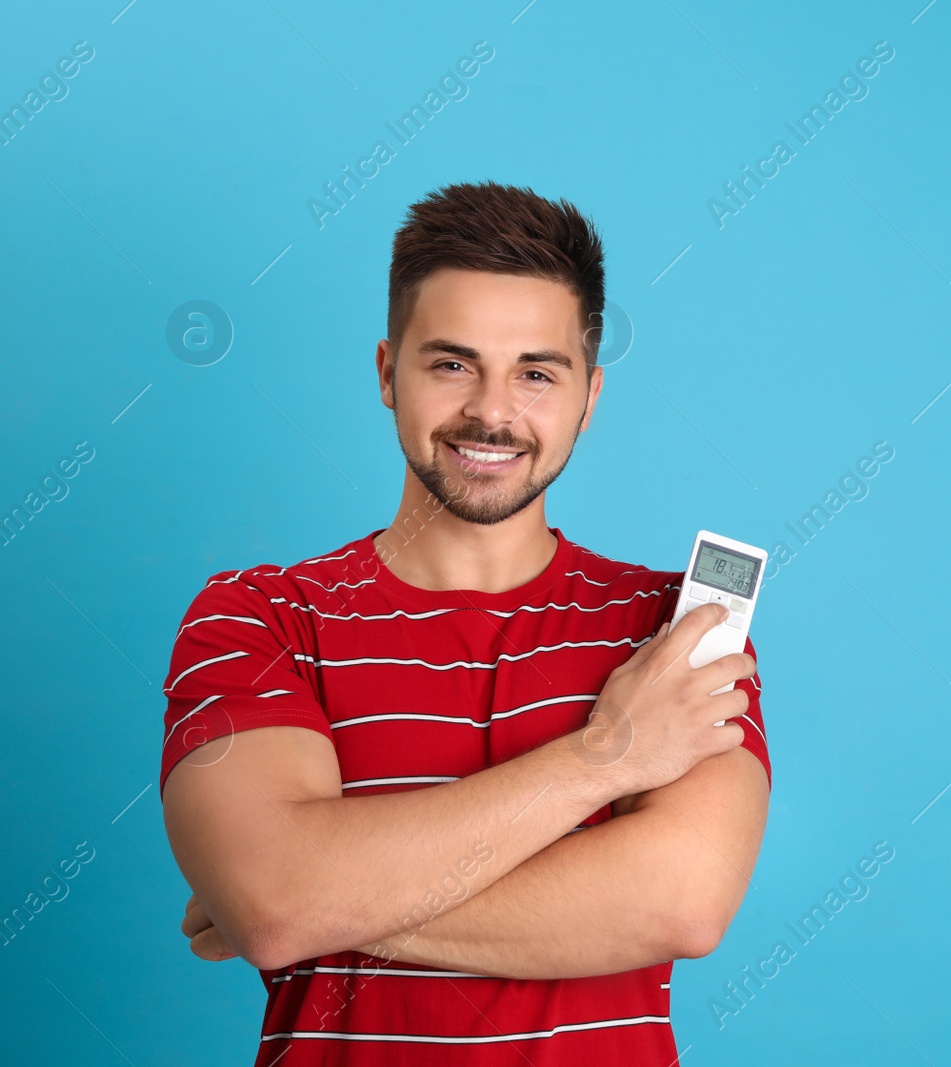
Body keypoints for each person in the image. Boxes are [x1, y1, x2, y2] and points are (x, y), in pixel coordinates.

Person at [159, 180, 771, 1066]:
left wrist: (311, 899)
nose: (493, 411)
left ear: (589, 396)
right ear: (386, 372)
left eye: (536, 372)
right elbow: (277, 898)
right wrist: (609, 754)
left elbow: (682, 901)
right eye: (451, 364)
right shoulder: (259, 617)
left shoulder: (674, 632)